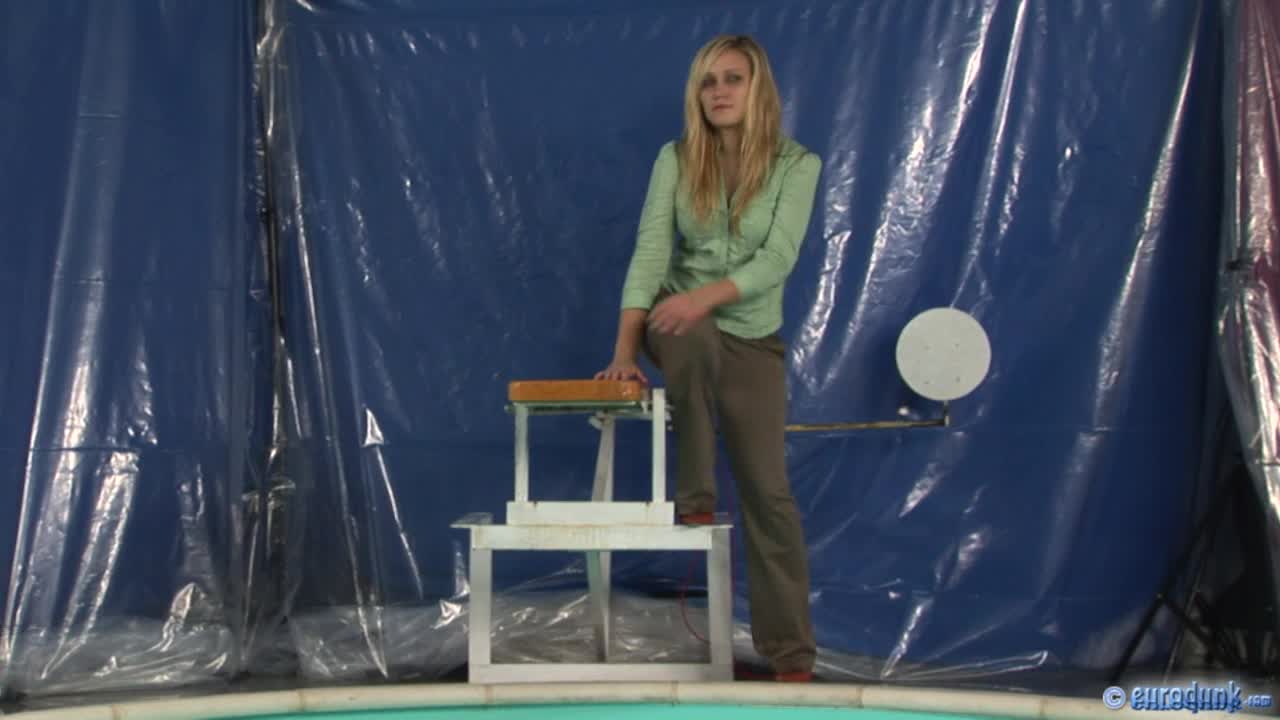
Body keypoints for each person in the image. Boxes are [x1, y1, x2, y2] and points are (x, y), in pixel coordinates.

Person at [595, 34, 822, 682]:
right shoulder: (675, 158)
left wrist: (706, 298)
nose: (719, 92)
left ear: (758, 88)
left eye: (732, 79)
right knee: (691, 337)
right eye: (707, 81)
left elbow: (776, 259)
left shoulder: (797, 165)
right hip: (678, 325)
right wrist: (624, 352)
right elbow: (650, 251)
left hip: (751, 336)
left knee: (770, 496)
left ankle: (792, 657)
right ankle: (694, 490)